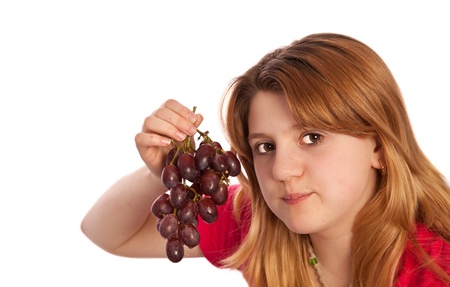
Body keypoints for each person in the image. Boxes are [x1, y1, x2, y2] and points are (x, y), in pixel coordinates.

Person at [81, 33, 450, 286]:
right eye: (265, 147)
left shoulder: (437, 268)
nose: (282, 171)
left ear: (380, 148)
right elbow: (108, 234)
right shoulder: (259, 226)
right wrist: (165, 171)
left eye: (313, 137)